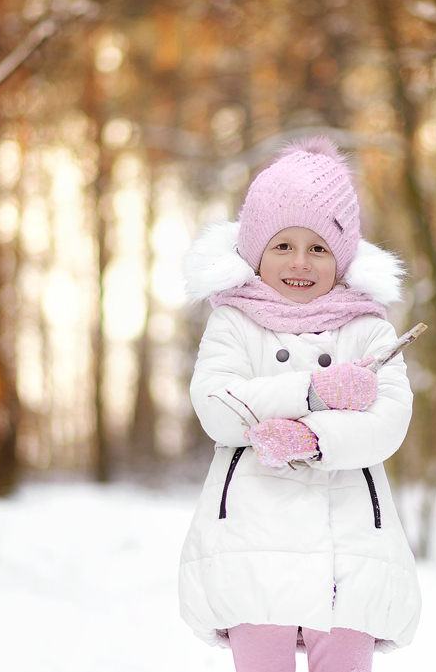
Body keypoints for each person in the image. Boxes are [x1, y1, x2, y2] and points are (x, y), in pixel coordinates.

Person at [178, 137, 421, 672]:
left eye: (319, 248)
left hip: (350, 544)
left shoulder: (368, 327)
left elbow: (390, 423)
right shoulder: (234, 321)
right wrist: (311, 392)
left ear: (344, 256)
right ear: (255, 249)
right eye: (282, 245)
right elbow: (217, 405)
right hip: (251, 538)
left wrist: (317, 440)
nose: (300, 262)